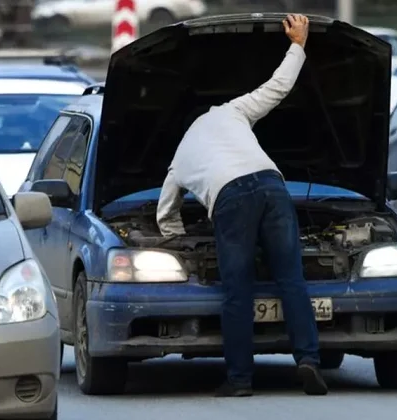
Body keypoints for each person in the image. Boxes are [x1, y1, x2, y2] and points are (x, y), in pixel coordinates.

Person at [156, 14, 327, 397]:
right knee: (291, 280)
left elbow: (166, 213)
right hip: (273, 185)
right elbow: (276, 88)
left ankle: (239, 380)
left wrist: (178, 240)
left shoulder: (180, 156)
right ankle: (309, 361)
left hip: (230, 200)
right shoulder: (230, 111)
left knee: (238, 291)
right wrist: (298, 44)